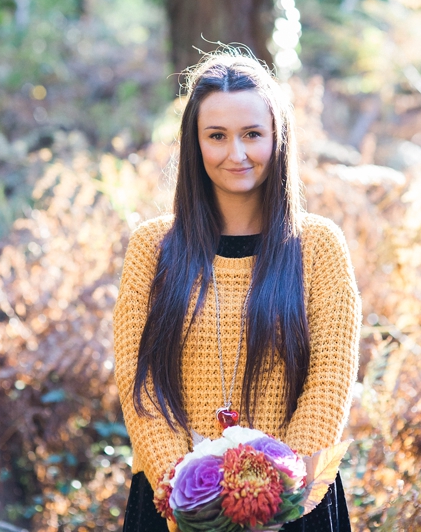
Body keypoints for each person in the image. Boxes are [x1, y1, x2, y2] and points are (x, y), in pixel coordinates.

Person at [113, 50, 360, 531]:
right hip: (174, 506)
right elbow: (139, 384)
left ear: (277, 138)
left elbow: (330, 385)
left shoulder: (319, 247)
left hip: (293, 504)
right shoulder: (152, 247)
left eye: (252, 134)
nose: (237, 154)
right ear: (195, 143)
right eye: (217, 136)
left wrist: (276, 495)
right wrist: (185, 493)